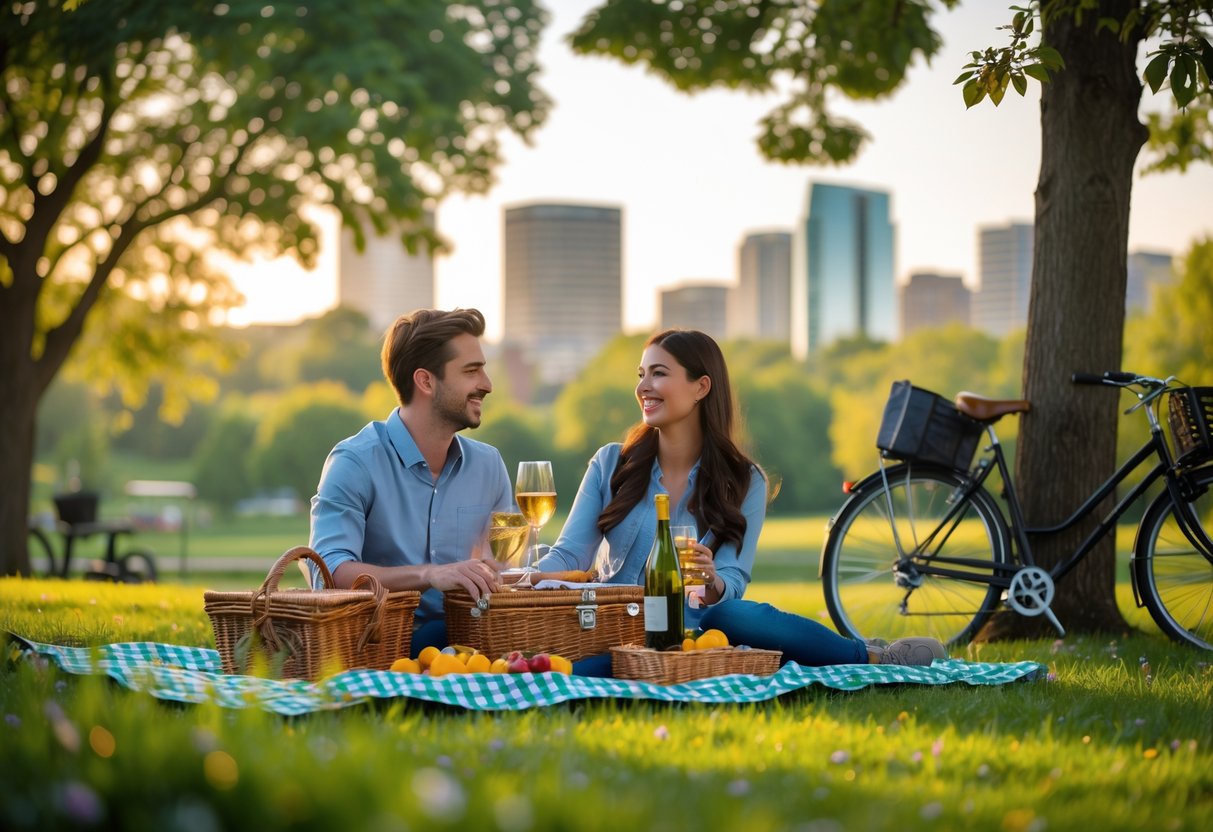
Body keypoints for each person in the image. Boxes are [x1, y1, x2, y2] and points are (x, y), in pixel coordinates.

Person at [536, 328, 946, 674]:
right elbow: (571, 553)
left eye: (658, 374)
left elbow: (732, 582)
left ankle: (873, 657)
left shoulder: (745, 480)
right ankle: (763, 659)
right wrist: (518, 578)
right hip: (615, 632)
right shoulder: (612, 463)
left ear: (701, 387)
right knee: (578, 670)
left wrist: (711, 579)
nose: (643, 386)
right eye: (641, 374)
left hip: (696, 630)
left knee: (735, 616)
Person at [308, 307, 513, 655]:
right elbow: (328, 573)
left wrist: (498, 570)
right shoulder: (355, 462)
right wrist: (429, 575)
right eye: (471, 371)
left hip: (472, 641)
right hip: (377, 643)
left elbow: (506, 563)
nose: (487, 384)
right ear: (426, 381)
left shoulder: (489, 465)